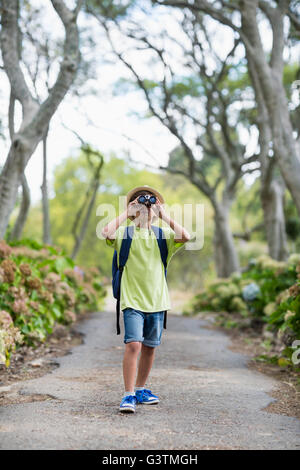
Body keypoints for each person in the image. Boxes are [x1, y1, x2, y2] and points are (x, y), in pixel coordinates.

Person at [102, 185, 191, 413]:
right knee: (133, 344)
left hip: (157, 301)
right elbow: (106, 232)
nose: (146, 208)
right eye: (141, 203)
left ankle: (141, 388)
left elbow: (186, 236)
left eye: (150, 204)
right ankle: (129, 394)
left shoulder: (163, 235)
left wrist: (164, 216)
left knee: (150, 347)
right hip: (132, 300)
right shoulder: (125, 234)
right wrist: (127, 214)